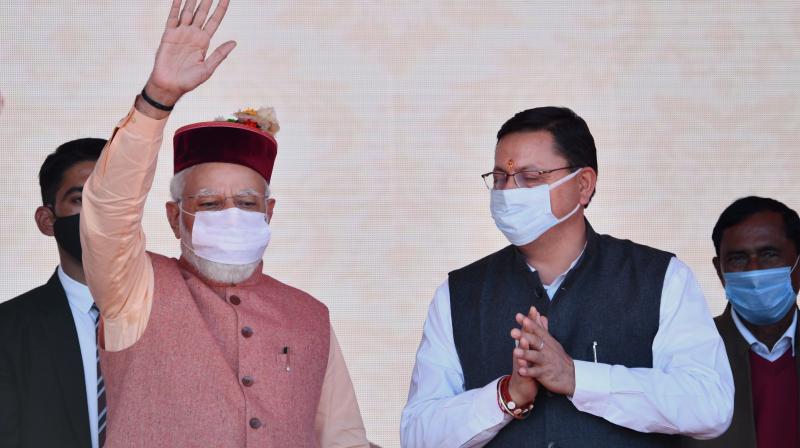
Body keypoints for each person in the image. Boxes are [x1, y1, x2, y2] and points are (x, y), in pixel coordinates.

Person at [79, 1, 368, 446]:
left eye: (247, 202)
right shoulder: (134, 289)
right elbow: (108, 211)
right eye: (210, 203)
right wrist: (157, 99)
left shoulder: (310, 316)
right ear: (176, 218)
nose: (231, 213)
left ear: (269, 213)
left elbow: (342, 437)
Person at [401, 106, 734, 447]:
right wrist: (507, 396)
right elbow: (417, 435)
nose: (509, 192)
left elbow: (709, 405)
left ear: (583, 185)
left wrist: (576, 378)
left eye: (531, 177)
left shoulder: (660, 278)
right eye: (500, 178)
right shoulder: (459, 294)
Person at [0, 138, 107, 448]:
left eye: (111, 198)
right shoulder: (7, 330)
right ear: (47, 221)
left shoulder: (172, 314)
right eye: (80, 199)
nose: (100, 213)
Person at [682, 196, 800, 447]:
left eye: (769, 254)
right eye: (738, 258)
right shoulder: (687, 352)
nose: (753, 271)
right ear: (719, 270)